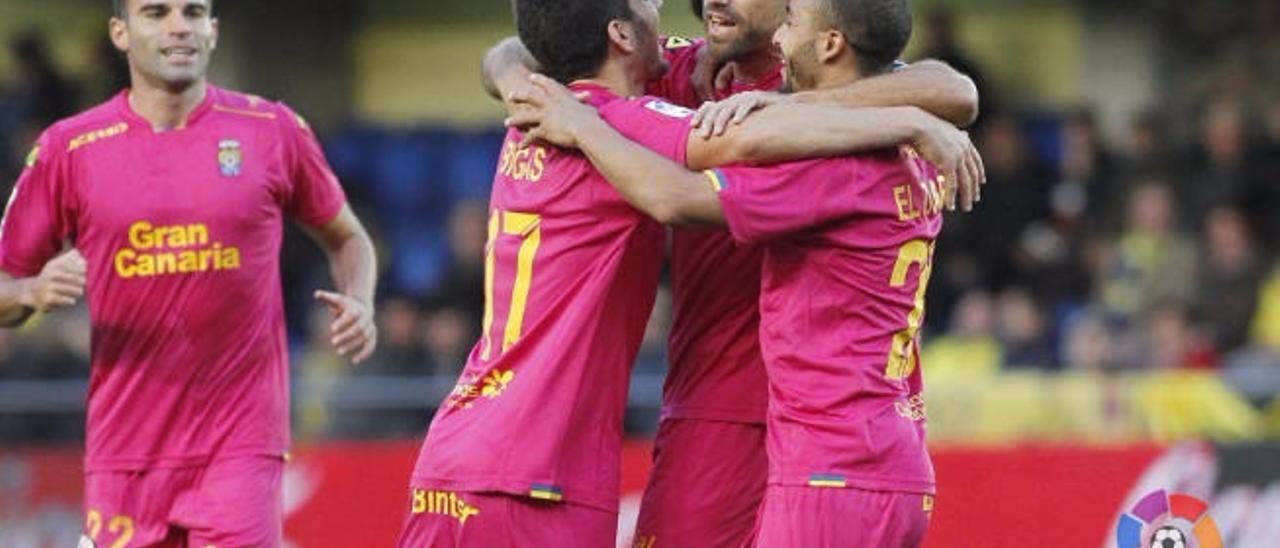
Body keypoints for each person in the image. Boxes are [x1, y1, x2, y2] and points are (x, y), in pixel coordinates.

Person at [399, 0, 974, 544]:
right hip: (721, 406)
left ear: (820, 32)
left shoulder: (837, 83)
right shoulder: (672, 69)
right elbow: (517, 46)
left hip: (818, 427)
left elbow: (955, 91)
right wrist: (532, 92)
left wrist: (797, 106)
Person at [0, 1, 378, 546]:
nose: (179, 26)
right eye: (156, 13)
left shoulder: (271, 129)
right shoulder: (69, 148)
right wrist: (33, 290)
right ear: (120, 34)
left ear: (214, 31)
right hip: (125, 454)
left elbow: (349, 238)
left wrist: (360, 301)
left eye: (193, 12)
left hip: (240, 447)